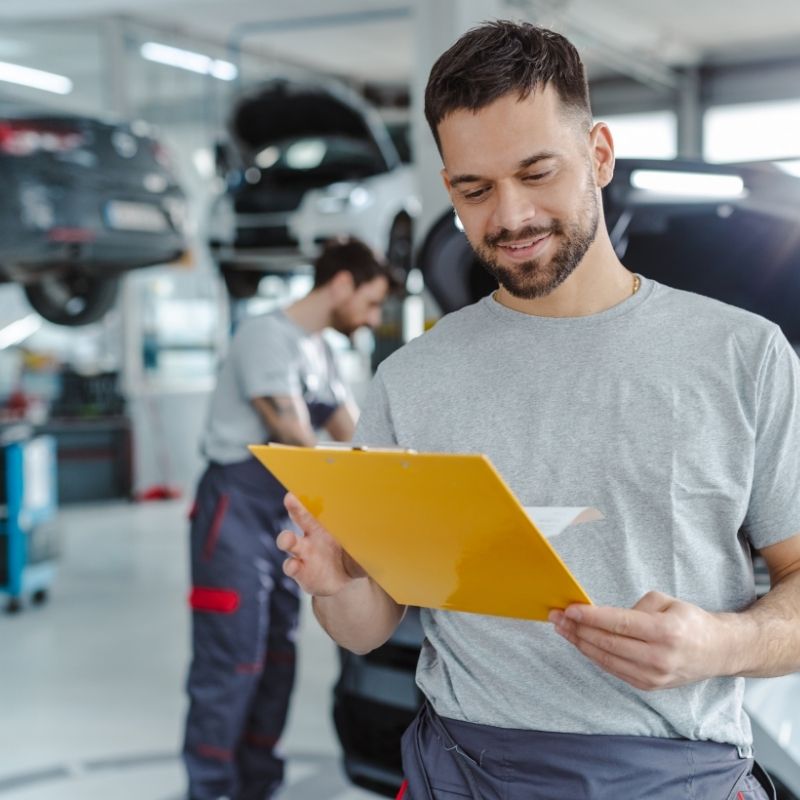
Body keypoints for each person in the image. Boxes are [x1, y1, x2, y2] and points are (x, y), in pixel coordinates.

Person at [275, 21, 800, 800]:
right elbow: (370, 623)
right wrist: (335, 586)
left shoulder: (743, 357)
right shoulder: (412, 378)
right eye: (474, 190)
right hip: (463, 774)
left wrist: (717, 644)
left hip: (674, 778)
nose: (510, 217)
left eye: (536, 172)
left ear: (598, 154)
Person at [182, 236, 396, 800]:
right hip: (233, 510)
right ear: (342, 284)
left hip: (281, 515)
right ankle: (209, 790)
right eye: (370, 303)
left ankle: (258, 788)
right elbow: (296, 440)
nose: (372, 317)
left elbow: (357, 439)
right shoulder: (265, 337)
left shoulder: (319, 350)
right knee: (232, 661)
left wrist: (406, 483)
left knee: (276, 659)